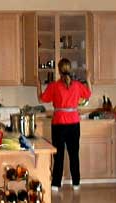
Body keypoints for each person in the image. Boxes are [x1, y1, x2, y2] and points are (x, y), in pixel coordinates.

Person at [36, 58, 92, 192]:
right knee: (74, 154)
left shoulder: (54, 86)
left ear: (59, 70)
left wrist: (38, 84)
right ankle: (76, 182)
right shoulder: (77, 85)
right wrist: (88, 78)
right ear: (69, 70)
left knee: (58, 154)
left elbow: (41, 98)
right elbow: (88, 94)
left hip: (59, 123)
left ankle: (56, 183)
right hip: (73, 123)